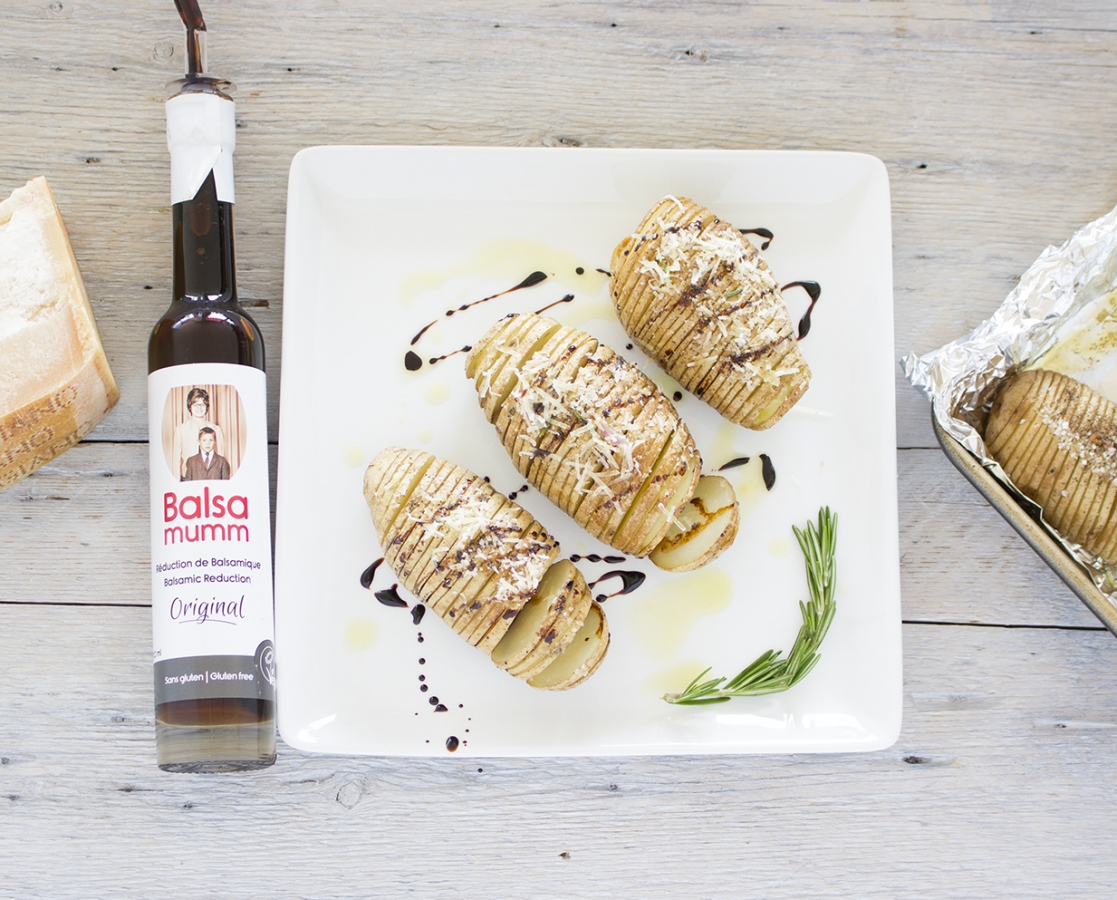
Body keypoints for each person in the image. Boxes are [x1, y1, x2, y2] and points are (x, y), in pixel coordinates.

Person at [172, 387, 225, 480]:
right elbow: (176, 462)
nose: (199, 408)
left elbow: (221, 460)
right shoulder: (180, 430)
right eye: (196, 404)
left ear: (207, 406)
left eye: (202, 405)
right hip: (187, 479)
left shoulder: (216, 429)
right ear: (190, 406)